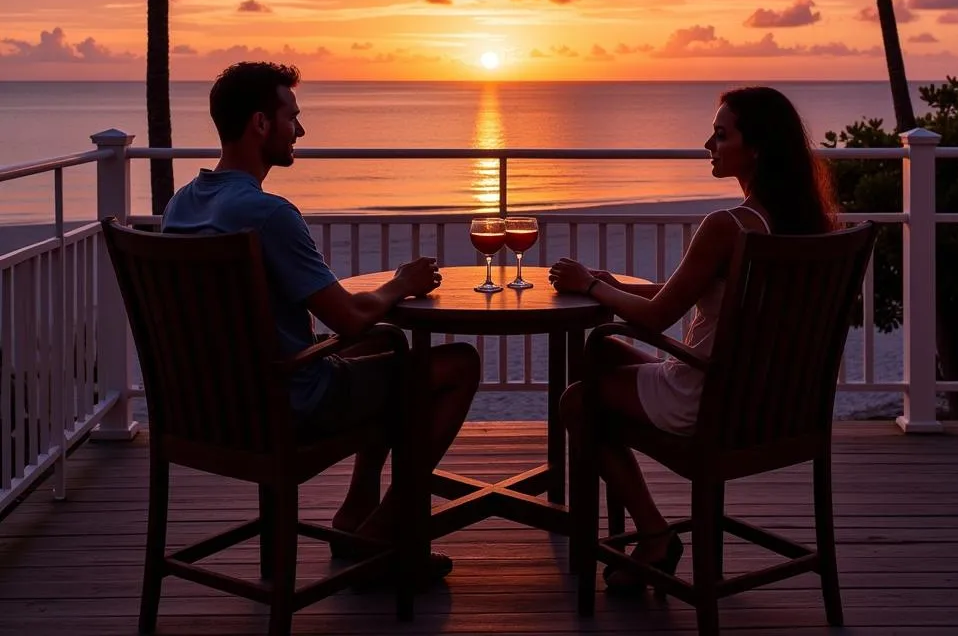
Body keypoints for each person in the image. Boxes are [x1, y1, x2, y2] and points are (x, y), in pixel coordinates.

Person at [162, 61, 480, 584]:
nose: (301, 131)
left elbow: (350, 326)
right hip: (288, 403)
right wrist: (402, 283)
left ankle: (356, 513)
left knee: (387, 345)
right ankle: (387, 529)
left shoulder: (183, 204)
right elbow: (349, 318)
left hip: (213, 406)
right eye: (293, 117)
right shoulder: (269, 214)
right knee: (457, 365)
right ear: (262, 124)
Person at [550, 86, 837, 594]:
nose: (708, 143)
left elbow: (659, 317)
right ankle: (646, 534)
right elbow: (695, 293)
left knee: (578, 402)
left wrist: (589, 287)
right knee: (604, 353)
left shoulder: (727, 227)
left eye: (721, 134)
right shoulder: (810, 225)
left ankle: (656, 534)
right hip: (767, 403)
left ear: (757, 149)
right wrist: (619, 289)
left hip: (708, 401)